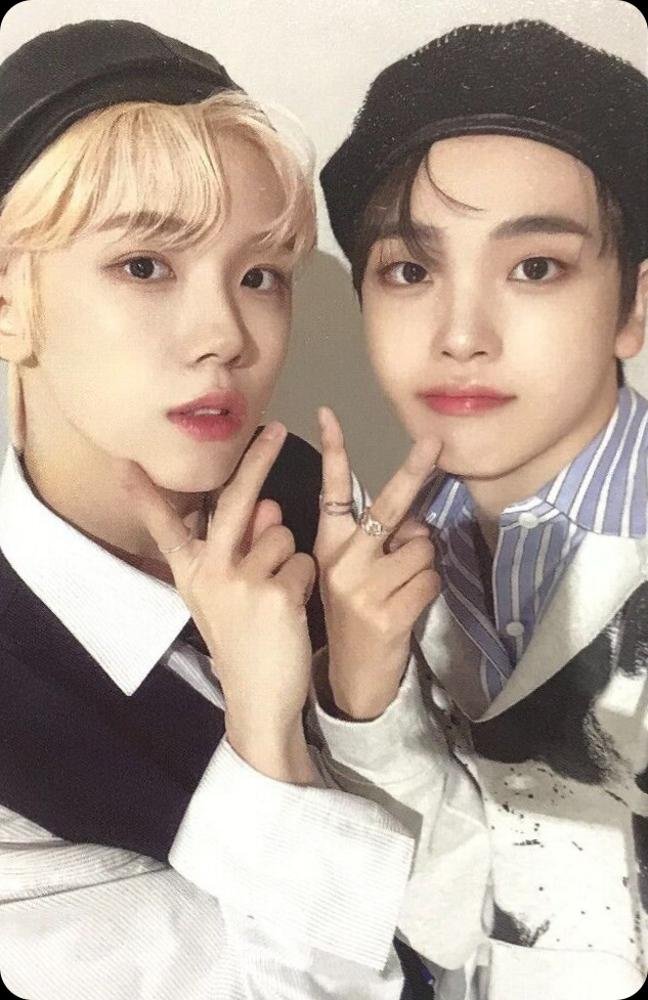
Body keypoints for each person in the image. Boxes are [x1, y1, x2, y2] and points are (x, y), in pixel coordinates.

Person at [0, 19, 436, 1000]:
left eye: (259, 275)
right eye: (144, 265)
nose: (228, 334)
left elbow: (479, 916)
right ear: (8, 301)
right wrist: (267, 743)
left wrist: (363, 705)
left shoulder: (313, 509)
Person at [312, 19, 648, 1000]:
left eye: (535, 267)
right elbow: (457, 914)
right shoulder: (387, 556)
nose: (461, 335)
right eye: (411, 272)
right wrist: (362, 694)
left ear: (634, 307)